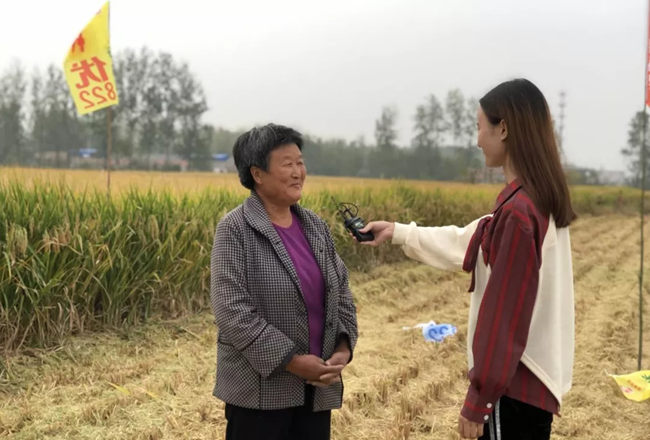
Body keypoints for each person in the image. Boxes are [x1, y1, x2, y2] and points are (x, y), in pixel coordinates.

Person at [359, 78, 575, 440]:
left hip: (514, 386)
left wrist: (480, 399)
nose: (476, 139)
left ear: (502, 128)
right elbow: (467, 240)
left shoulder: (520, 213)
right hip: (526, 384)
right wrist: (398, 232)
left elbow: (503, 315)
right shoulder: (533, 201)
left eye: (479, 127)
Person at [210, 123, 358, 440]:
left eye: (300, 162)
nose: (297, 172)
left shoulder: (315, 226)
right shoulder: (235, 229)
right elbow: (232, 312)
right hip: (258, 395)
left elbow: (341, 292)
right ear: (258, 174)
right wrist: (291, 361)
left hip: (316, 389)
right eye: (287, 164)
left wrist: (343, 348)